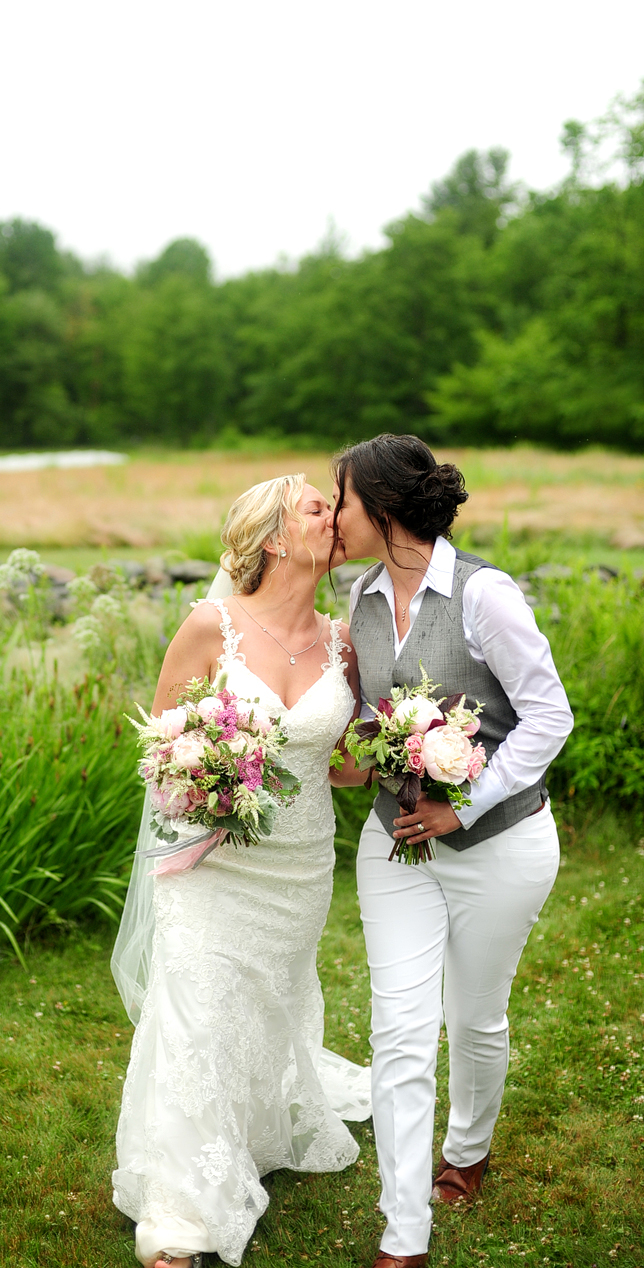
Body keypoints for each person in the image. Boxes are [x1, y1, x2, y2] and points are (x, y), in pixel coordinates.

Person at [111, 473, 372, 1268]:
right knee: (197, 1009)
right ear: (273, 538)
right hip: (212, 866)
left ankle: (249, 1132)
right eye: (319, 507)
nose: (337, 515)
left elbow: (341, 764)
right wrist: (214, 781)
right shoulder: (208, 625)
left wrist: (405, 751)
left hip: (298, 868)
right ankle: (179, 1216)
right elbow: (161, 755)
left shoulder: (343, 641)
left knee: (264, 1007)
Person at [330, 434, 573, 1268]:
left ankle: (465, 1153)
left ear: (386, 509)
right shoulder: (357, 604)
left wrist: (462, 807)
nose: (333, 516)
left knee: (475, 1018)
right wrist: (354, 759)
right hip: (393, 847)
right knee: (399, 1031)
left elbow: (548, 716)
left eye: (343, 501)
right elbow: (369, 728)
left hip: (502, 847)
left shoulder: (484, 596)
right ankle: (404, 1231)